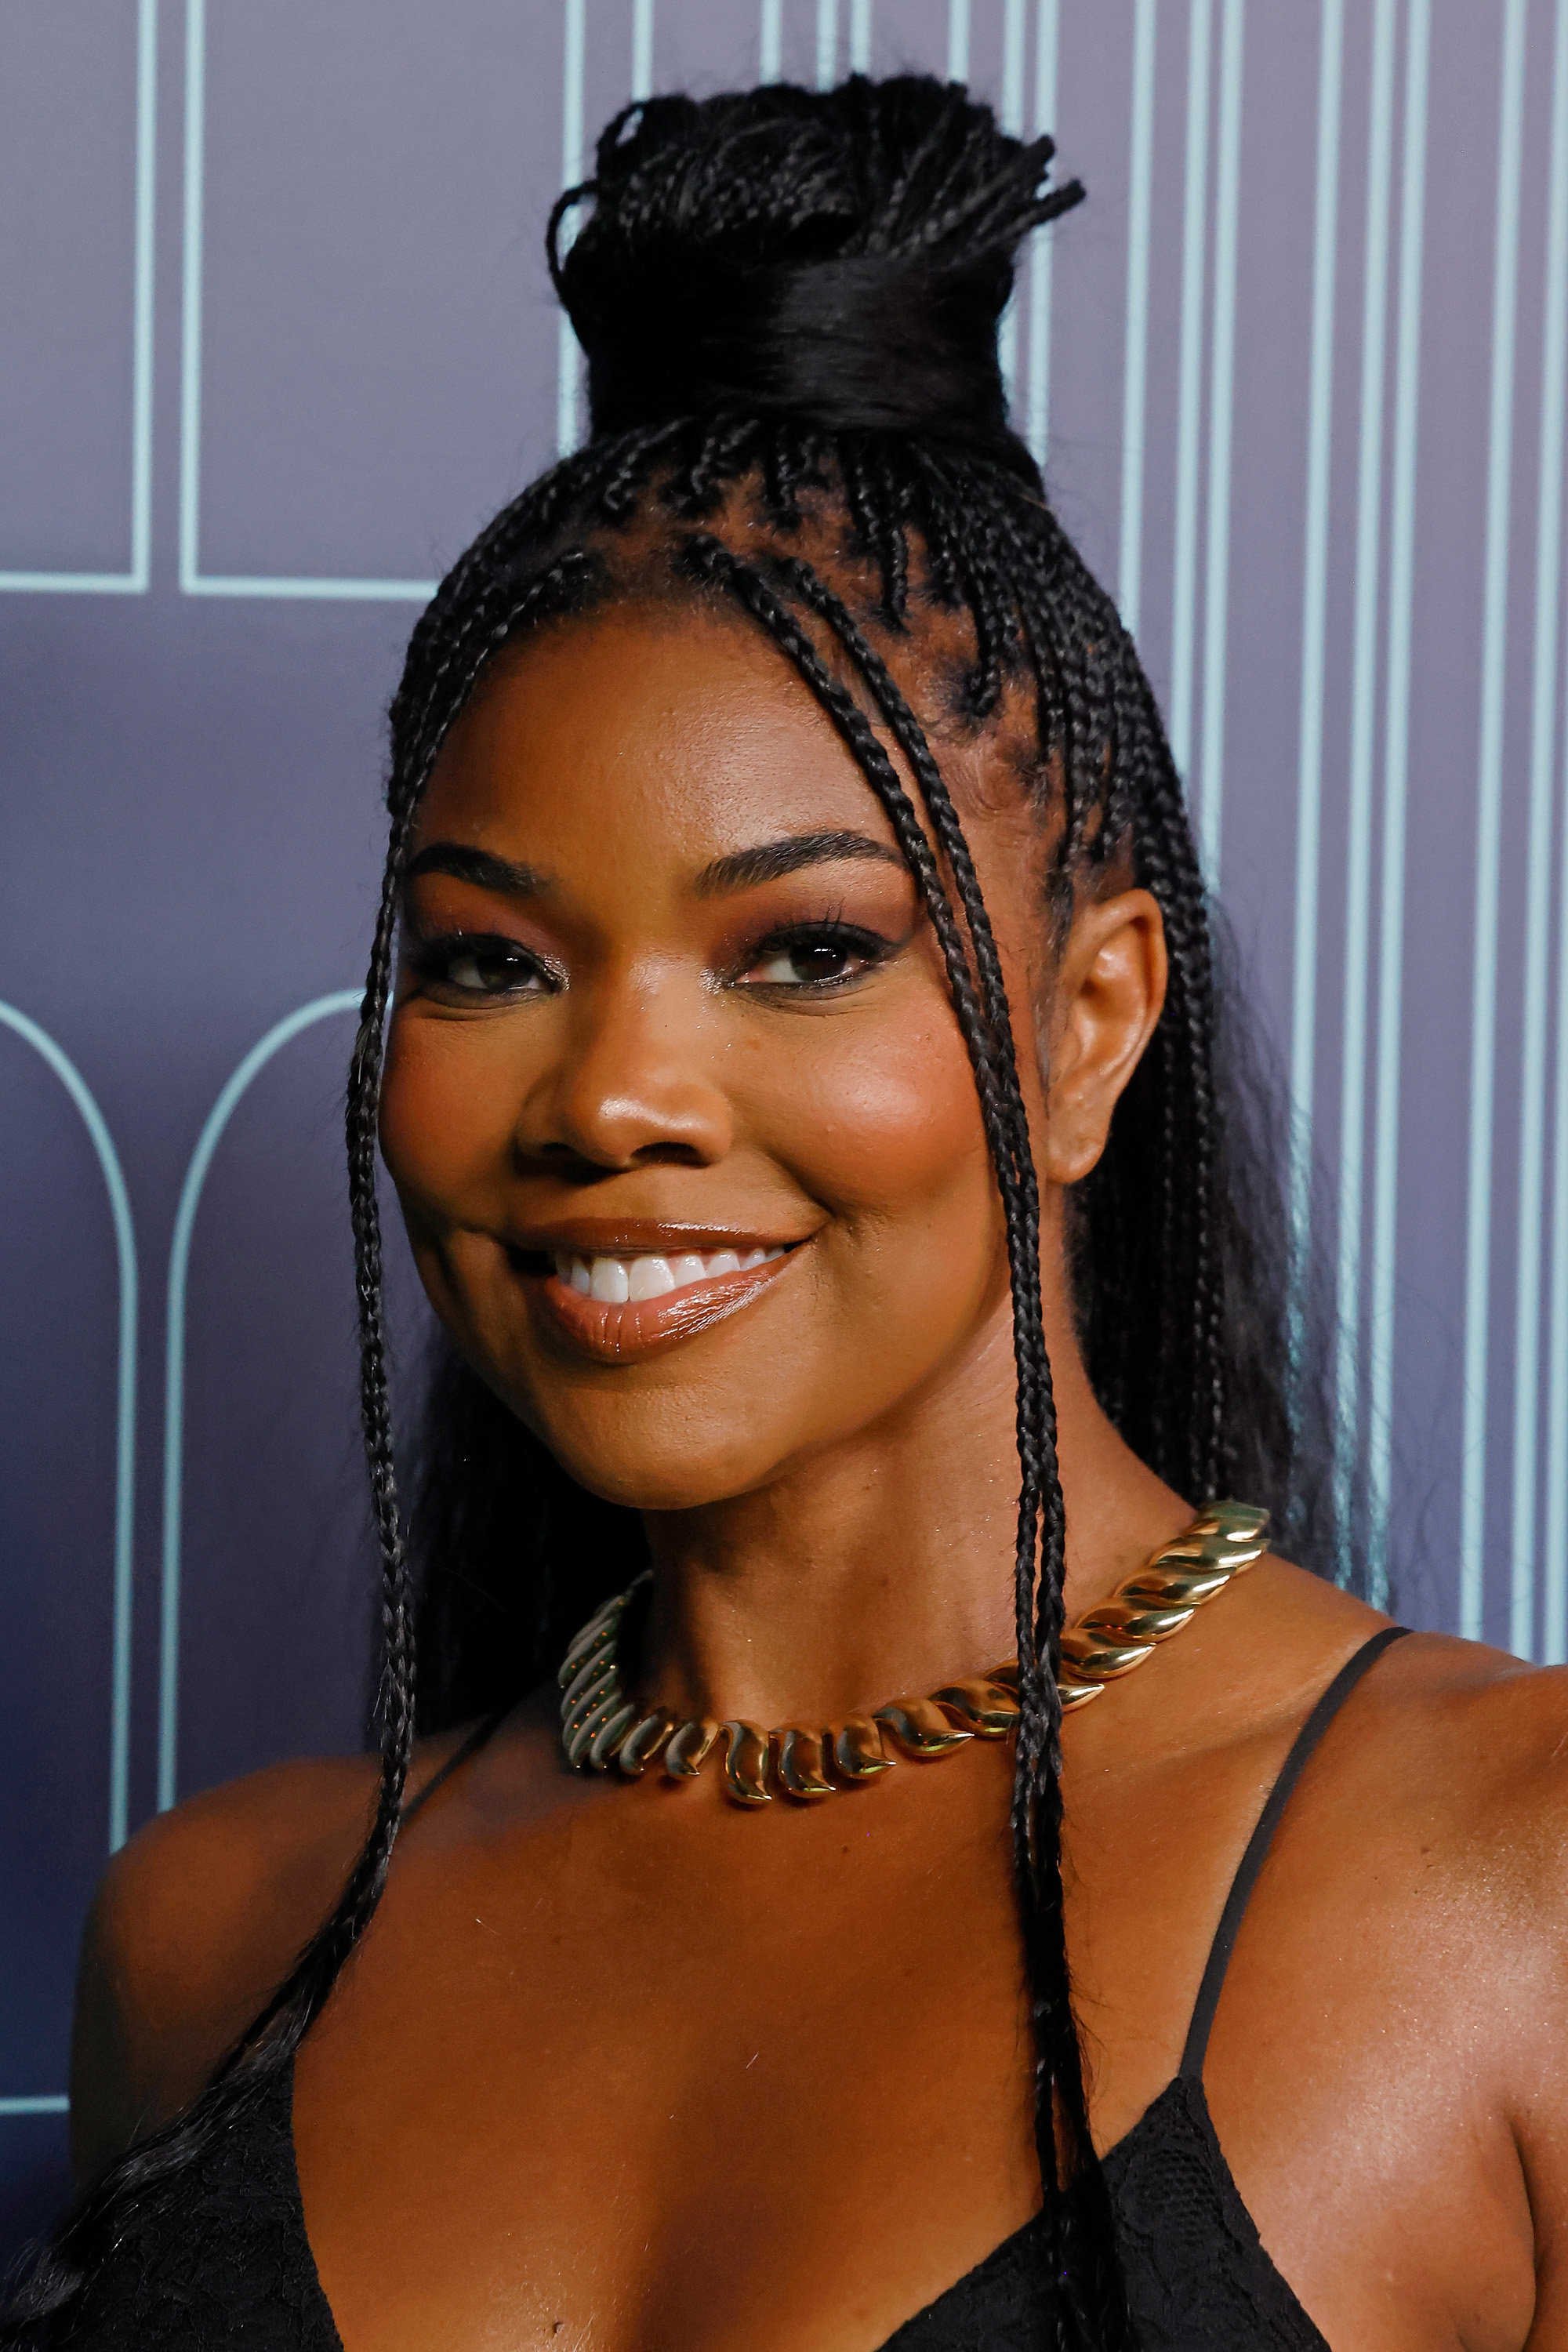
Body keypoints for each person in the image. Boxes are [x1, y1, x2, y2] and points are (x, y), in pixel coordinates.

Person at [8, 72, 1566, 2352]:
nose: (616, 1093)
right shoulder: (214, 1942)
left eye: (803, 950)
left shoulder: (1506, 1885)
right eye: (487, 961)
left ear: (1090, 1023)